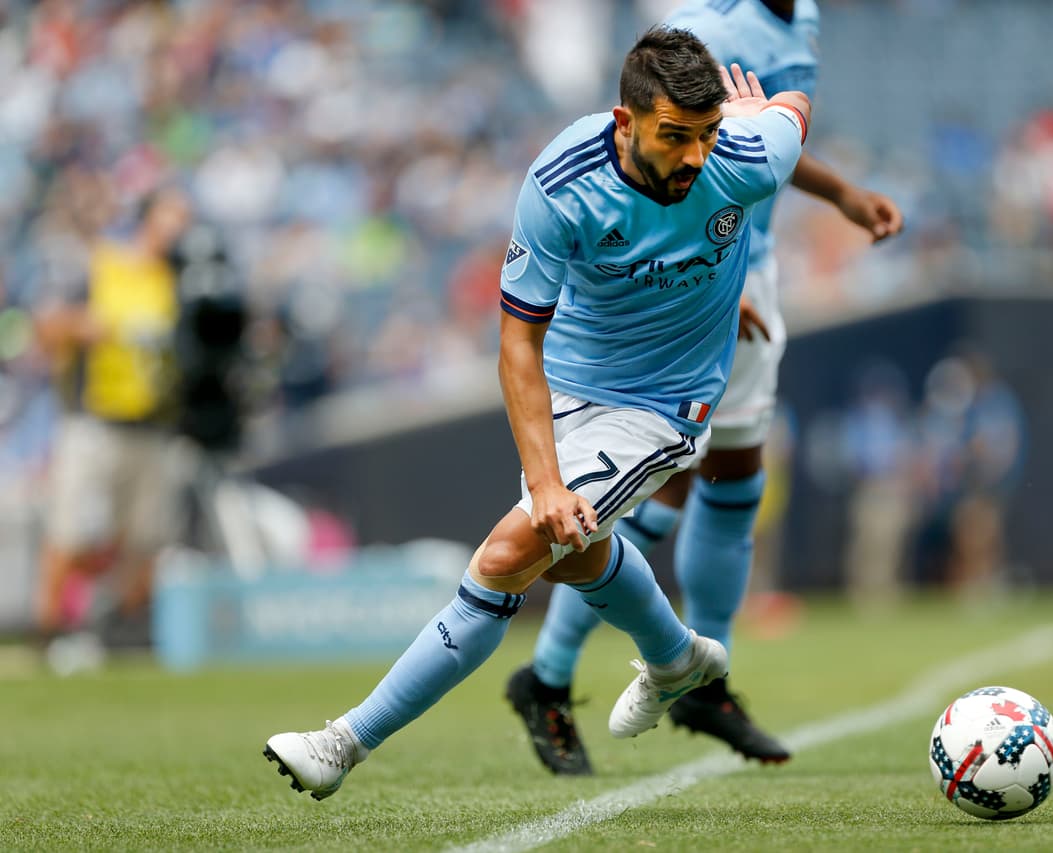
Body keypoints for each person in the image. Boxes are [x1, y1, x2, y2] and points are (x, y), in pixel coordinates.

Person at [263, 27, 811, 801]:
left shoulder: (745, 157)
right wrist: (549, 480)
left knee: (503, 557)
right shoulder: (562, 182)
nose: (695, 157)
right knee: (578, 548)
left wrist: (756, 123)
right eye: (676, 137)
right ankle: (677, 657)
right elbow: (518, 341)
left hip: (662, 405)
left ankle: (342, 742)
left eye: (708, 135)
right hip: (568, 388)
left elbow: (793, 106)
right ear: (626, 124)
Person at [507, 0, 903, 775]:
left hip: (739, 267)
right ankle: (568, 676)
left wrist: (841, 194)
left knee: (721, 480)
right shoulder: (710, 29)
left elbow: (760, 141)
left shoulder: (805, 18)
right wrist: (696, 282)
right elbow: (661, 152)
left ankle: (679, 682)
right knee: (676, 490)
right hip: (715, 275)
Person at [33, 188, 195, 652]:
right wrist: (84, 327)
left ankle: (116, 630)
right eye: (171, 216)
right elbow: (47, 327)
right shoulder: (102, 265)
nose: (179, 229)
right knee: (72, 532)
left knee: (144, 540)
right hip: (95, 421)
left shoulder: (174, 280)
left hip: (152, 427)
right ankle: (47, 631)